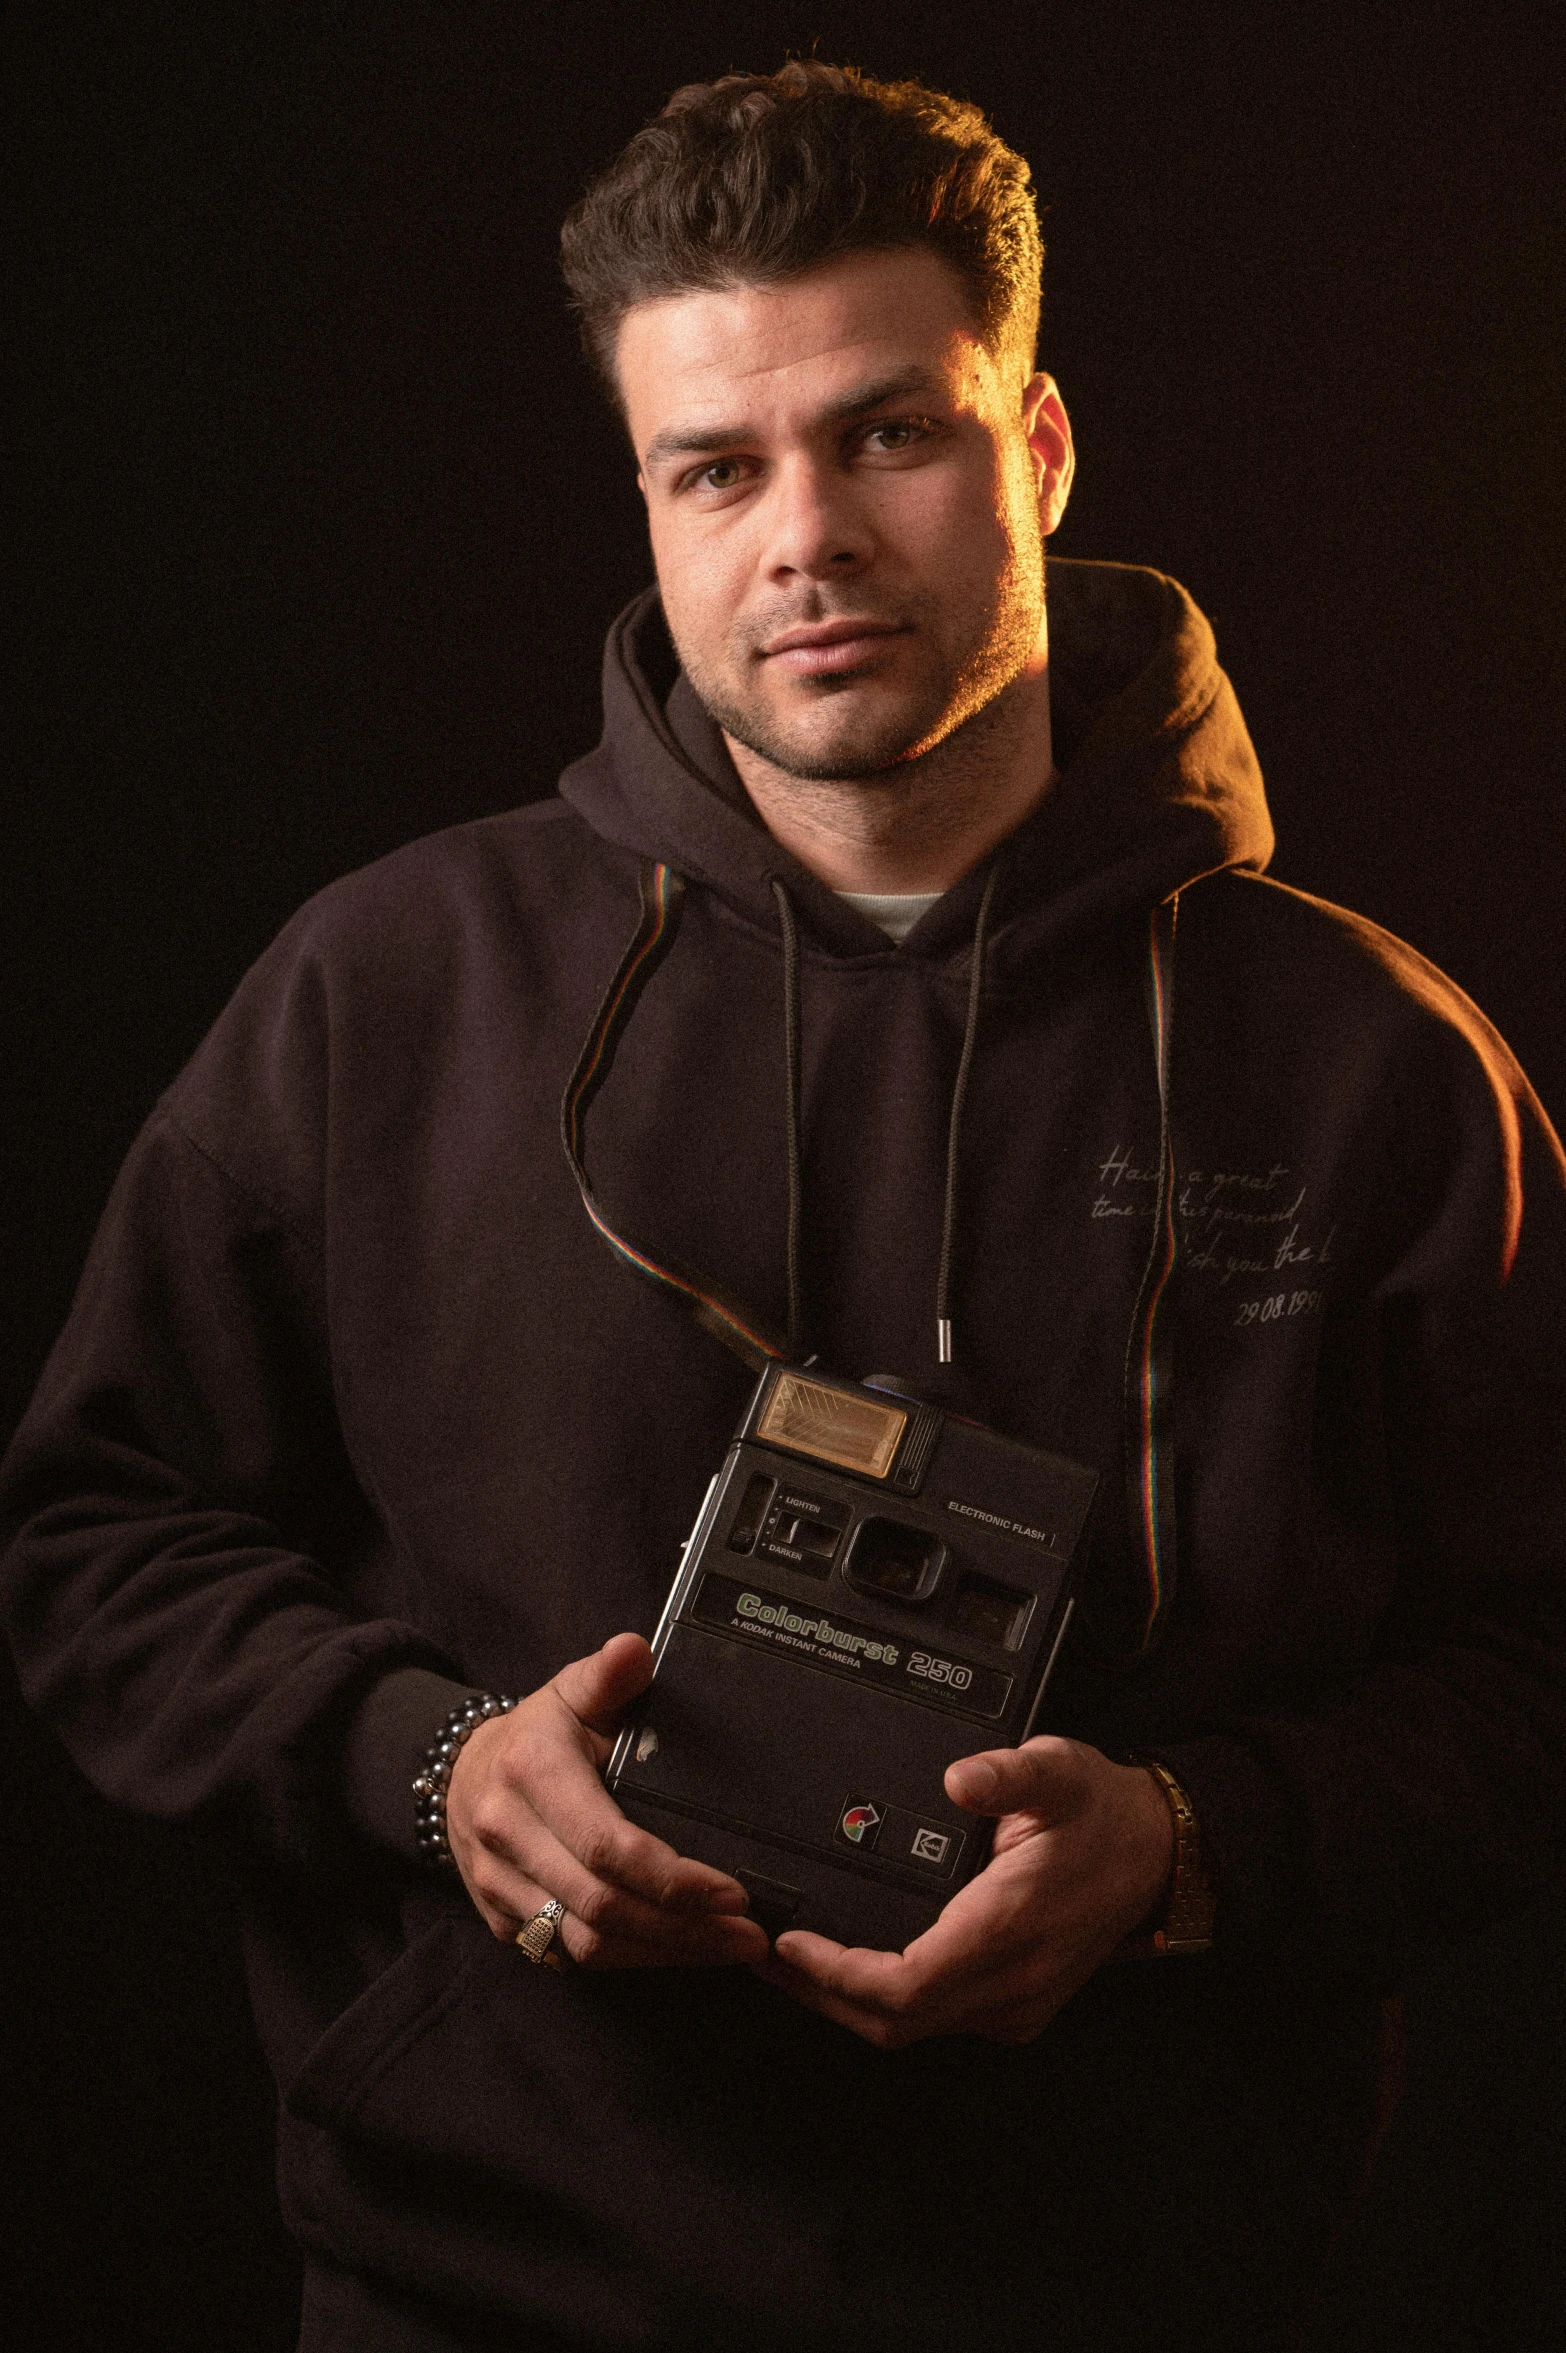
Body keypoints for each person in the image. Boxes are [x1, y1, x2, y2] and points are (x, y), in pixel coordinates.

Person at [4, 59, 1564, 2353]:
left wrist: (1188, 1849)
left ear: (1035, 449)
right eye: (716, 468)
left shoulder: (1371, 1063)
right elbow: (93, 1537)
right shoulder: (382, 995)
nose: (804, 535)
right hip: (481, 2293)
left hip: (1155, 2296)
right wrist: (426, 1765)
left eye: (890, 434)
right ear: (645, 501)